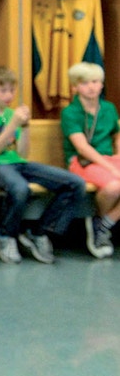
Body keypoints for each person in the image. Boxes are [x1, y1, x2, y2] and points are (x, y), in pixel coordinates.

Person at [0, 65, 85, 264]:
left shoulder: (11, 114)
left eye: (12, 90)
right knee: (20, 188)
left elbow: (22, 152)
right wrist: (13, 124)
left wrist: (25, 127)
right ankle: (5, 235)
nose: (8, 95)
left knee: (75, 183)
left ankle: (39, 232)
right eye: (3, 90)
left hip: (17, 163)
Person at [59, 62, 119, 259]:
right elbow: (82, 147)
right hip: (83, 161)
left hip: (109, 159)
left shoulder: (109, 108)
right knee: (113, 186)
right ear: (74, 87)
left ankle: (103, 223)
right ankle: (101, 226)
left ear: (102, 84)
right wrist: (111, 167)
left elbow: (117, 136)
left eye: (95, 82)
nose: (91, 87)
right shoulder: (70, 113)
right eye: (84, 83)